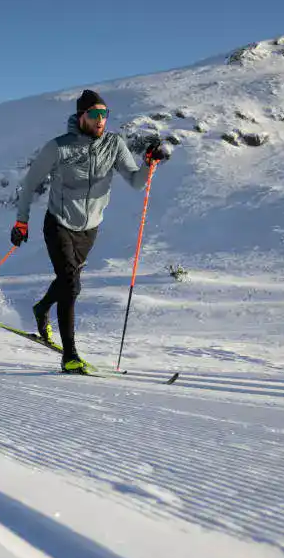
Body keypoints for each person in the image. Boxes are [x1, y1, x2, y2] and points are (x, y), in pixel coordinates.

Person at [11, 89, 170, 374]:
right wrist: (21, 222)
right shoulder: (59, 147)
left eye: (104, 114)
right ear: (81, 116)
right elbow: (30, 183)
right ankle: (69, 355)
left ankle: (42, 308)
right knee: (71, 284)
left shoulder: (114, 144)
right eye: (94, 114)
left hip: (89, 229)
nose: (100, 120)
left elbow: (136, 182)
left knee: (66, 281)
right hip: (59, 222)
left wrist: (148, 164)